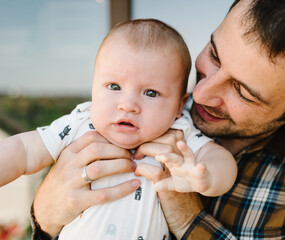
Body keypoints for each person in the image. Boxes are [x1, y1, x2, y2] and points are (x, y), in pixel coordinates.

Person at [31, 0, 285, 239]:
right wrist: (46, 212)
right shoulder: (150, 108)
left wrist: (188, 217)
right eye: (214, 55)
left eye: (243, 92)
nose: (199, 94)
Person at [0, 19, 237, 239]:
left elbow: (219, 158)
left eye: (151, 93)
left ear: (178, 105)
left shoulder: (179, 132)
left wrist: (207, 176)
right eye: (114, 86)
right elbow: (24, 150)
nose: (128, 105)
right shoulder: (81, 122)